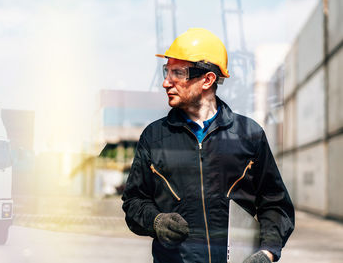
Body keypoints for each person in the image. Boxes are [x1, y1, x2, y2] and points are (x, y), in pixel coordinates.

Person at [121, 28, 294, 263]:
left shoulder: (249, 135)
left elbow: (275, 205)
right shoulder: (154, 137)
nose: (165, 82)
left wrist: (267, 252)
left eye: (177, 73)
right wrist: (155, 221)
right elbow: (134, 202)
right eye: (166, 71)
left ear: (208, 79)